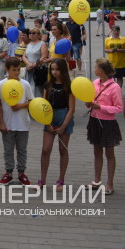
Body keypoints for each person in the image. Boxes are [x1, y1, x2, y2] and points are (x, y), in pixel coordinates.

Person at [0, 57, 34, 186]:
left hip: (23, 124)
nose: (16, 73)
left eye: (18, 70)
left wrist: (20, 106)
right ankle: (8, 172)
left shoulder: (25, 84)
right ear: (7, 69)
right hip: (8, 123)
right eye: (13, 70)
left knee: (22, 150)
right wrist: (1, 123)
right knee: (8, 150)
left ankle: (22, 173)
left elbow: (31, 101)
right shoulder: (1, 84)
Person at [86, 58, 122, 195]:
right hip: (94, 120)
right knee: (97, 152)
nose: (94, 69)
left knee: (109, 153)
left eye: (95, 67)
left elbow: (118, 108)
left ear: (101, 70)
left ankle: (110, 183)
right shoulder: (95, 83)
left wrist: (100, 107)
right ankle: (96, 181)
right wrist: (89, 104)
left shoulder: (114, 87)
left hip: (107, 123)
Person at [38, 59, 75, 190]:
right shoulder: (48, 85)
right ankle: (42, 179)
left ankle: (61, 179)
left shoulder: (69, 86)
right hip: (49, 117)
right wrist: (47, 123)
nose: (54, 72)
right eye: (52, 69)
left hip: (64, 117)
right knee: (45, 149)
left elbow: (71, 109)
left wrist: (63, 126)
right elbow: (43, 104)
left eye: (57, 69)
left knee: (62, 149)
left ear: (63, 70)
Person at [23, 28, 49, 97]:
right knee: (29, 87)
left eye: (33, 33)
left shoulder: (42, 44)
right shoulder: (29, 44)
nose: (31, 35)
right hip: (29, 69)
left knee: (38, 88)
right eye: (30, 33)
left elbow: (44, 56)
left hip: (38, 70)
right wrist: (29, 64)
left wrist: (33, 65)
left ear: (38, 35)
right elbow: (24, 56)